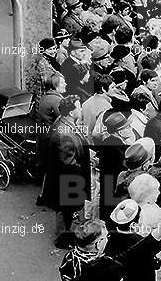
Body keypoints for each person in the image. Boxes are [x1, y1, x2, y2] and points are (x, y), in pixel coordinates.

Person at [42, 96, 91, 249]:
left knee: (64, 211)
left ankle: (64, 235)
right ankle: (62, 240)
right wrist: (85, 167)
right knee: (65, 212)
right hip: (67, 181)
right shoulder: (65, 134)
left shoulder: (63, 123)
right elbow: (69, 164)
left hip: (61, 180)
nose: (81, 109)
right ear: (71, 112)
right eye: (78, 107)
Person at [59, 219, 123, 281]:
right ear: (98, 243)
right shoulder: (107, 268)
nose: (107, 239)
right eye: (106, 236)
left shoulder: (69, 257)